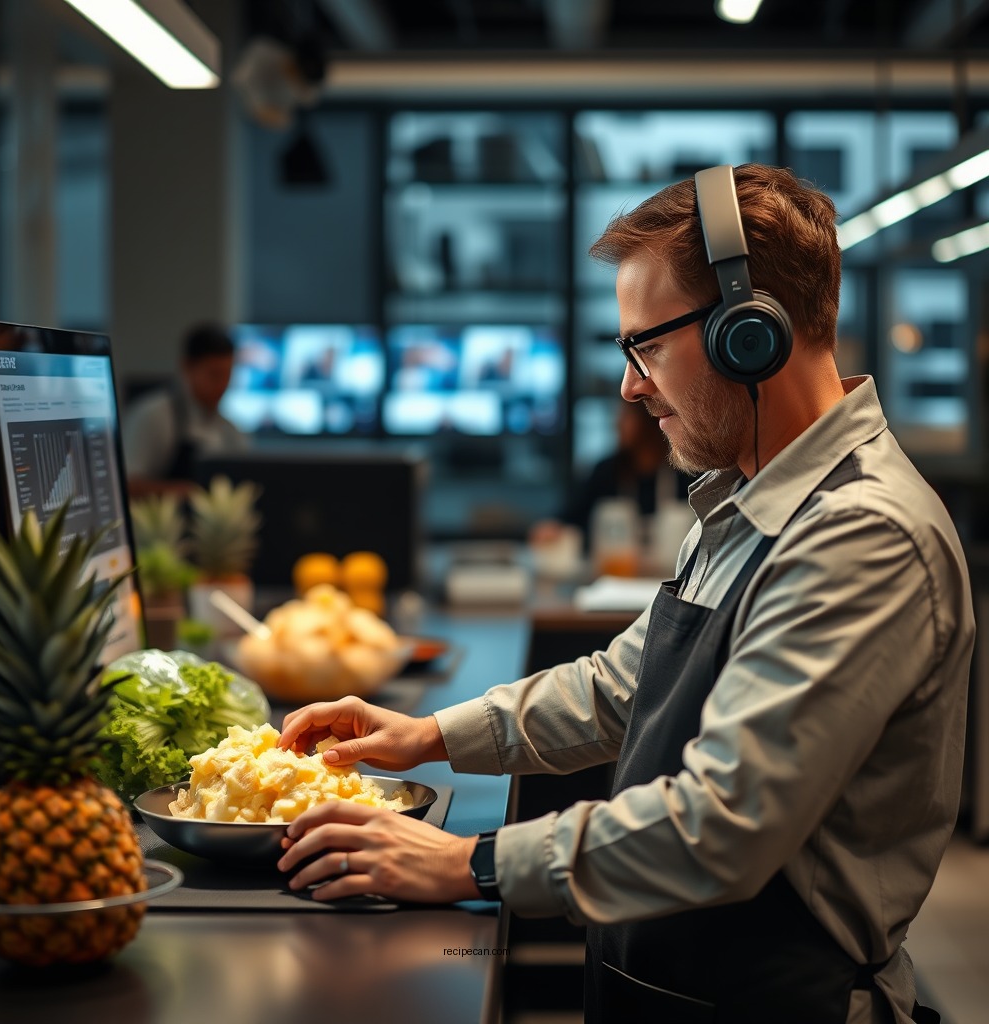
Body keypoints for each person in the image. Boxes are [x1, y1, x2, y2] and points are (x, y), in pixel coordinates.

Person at [276, 165, 974, 1024]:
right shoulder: (746, 500)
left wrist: (466, 864)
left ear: (747, 335)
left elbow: (722, 826)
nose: (630, 386)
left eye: (646, 345)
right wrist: (425, 736)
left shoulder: (862, 535)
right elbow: (622, 685)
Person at [530, 398, 691, 551]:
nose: (617, 423)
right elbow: (573, 513)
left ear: (651, 420)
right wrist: (553, 525)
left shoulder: (684, 472)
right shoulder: (607, 471)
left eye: (626, 416)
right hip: (614, 572)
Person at [122, 322, 249, 496]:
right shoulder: (153, 416)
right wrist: (186, 493)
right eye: (214, 374)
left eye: (227, 375)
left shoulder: (230, 431)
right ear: (187, 367)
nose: (222, 385)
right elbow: (126, 485)